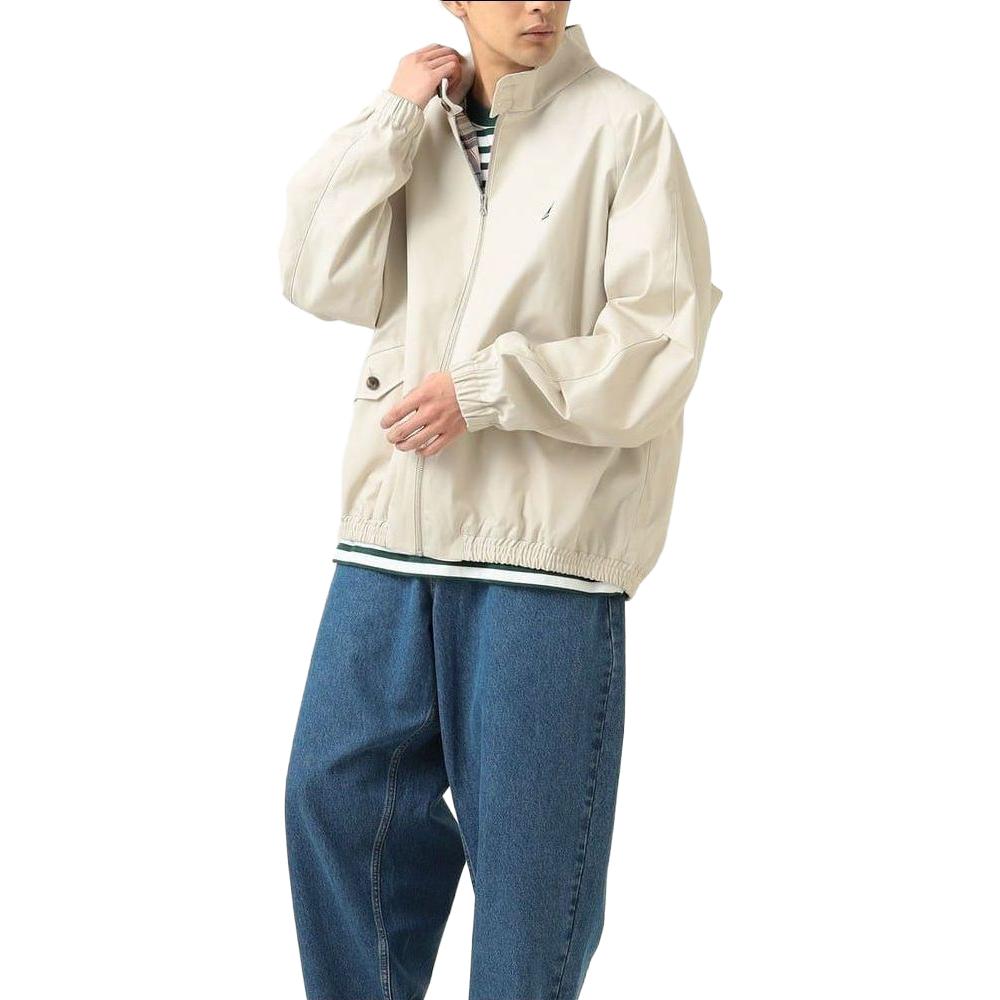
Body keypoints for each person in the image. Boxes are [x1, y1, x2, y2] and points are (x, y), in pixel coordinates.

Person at [279, 3, 721, 998]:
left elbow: (660, 341)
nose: (539, 5)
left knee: (529, 873)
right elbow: (314, 276)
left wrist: (486, 388)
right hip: (393, 535)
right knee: (331, 800)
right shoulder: (416, 129)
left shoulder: (623, 123)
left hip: (545, 547)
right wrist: (390, 119)